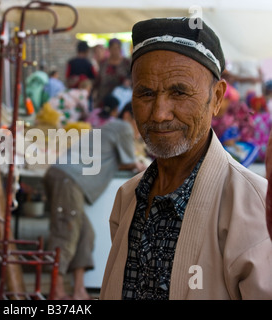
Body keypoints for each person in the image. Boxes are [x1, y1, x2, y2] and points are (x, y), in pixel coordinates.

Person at [100, 17, 272, 300]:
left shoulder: (253, 206)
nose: (159, 113)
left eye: (179, 92)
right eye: (146, 93)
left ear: (216, 98)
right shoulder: (128, 197)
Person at [44, 94, 146, 300]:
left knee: (85, 234)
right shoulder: (123, 127)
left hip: (66, 178)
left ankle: (79, 291)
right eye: (141, 122)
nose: (141, 130)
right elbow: (129, 161)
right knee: (66, 233)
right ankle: (56, 291)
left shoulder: (111, 128)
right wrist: (140, 166)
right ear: (128, 116)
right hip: (68, 179)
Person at [92, 38, 131, 109]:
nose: (116, 51)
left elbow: (132, 76)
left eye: (118, 48)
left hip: (121, 99)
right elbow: (98, 80)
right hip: (104, 97)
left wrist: (128, 81)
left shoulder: (126, 63)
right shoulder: (103, 63)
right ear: (109, 49)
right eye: (114, 48)